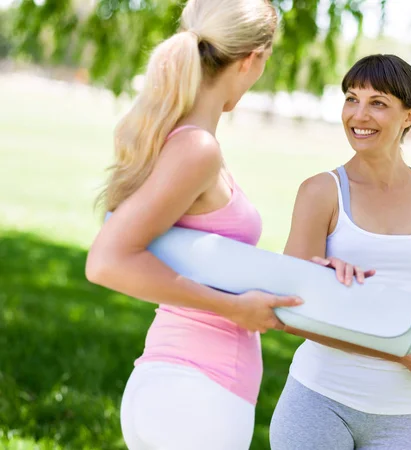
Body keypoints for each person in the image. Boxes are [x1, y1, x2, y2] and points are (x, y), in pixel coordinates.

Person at [86, 0, 369, 448]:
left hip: (172, 388)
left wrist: (313, 275)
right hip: (198, 396)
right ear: (253, 59)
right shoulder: (196, 149)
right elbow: (107, 261)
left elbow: (214, 261)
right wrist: (232, 309)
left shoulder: (181, 140)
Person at [269, 54, 411, 450]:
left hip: (402, 416)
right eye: (351, 98)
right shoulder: (321, 192)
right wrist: (401, 352)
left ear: (409, 116)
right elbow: (291, 310)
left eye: (378, 103)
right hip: (319, 401)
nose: (359, 115)